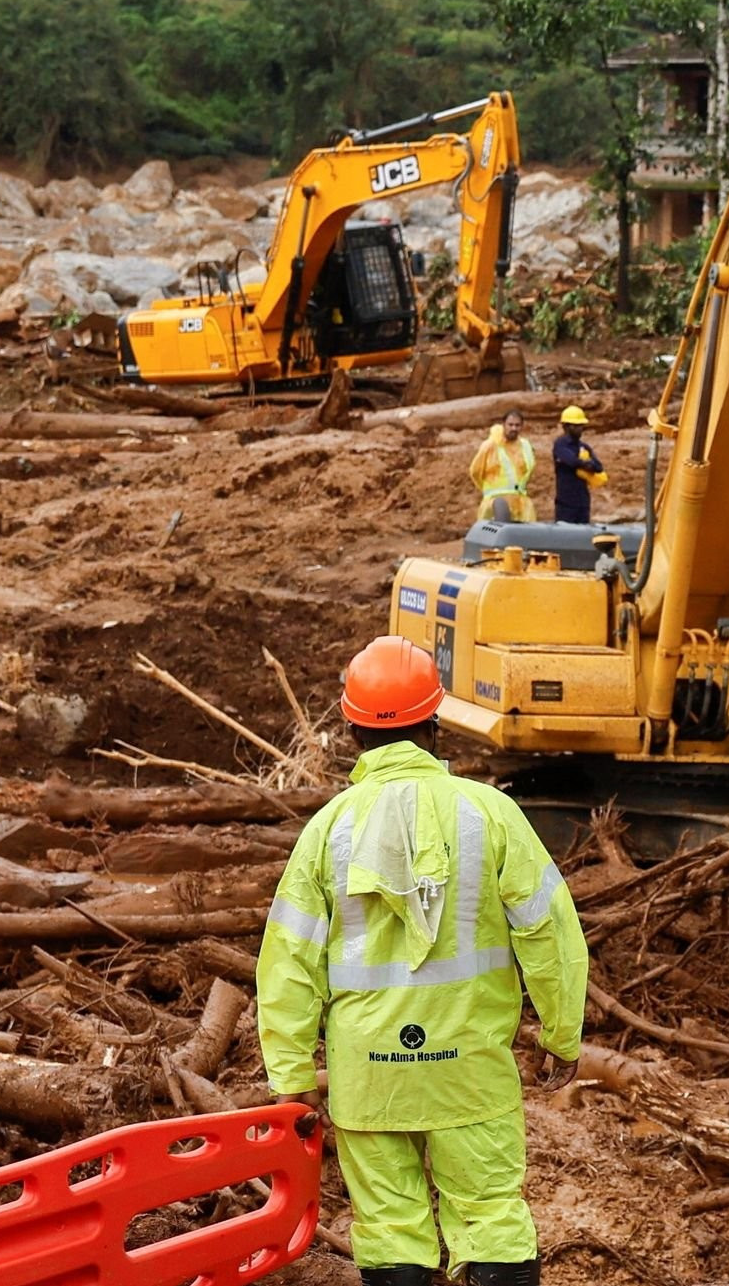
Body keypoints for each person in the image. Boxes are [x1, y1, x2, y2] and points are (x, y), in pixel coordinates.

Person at [259, 639, 585, 1286]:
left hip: (368, 1073)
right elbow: (550, 932)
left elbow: (288, 961)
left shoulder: (326, 830)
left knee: (389, 1230)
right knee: (491, 1215)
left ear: (352, 731)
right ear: (435, 722)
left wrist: (291, 1071)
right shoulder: (493, 814)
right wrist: (561, 1032)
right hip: (469, 1070)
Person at [468, 410, 537, 525]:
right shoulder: (490, 446)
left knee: (521, 540)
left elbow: (527, 471)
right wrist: (487, 490)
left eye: (517, 425)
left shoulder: (525, 446)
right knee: (494, 539)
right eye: (510, 425)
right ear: (503, 425)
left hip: (520, 503)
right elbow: (475, 471)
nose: (514, 428)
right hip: (495, 504)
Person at [549, 408, 605, 525]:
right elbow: (571, 461)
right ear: (568, 427)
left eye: (581, 425)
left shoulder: (583, 446)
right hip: (566, 503)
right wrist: (586, 464)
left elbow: (599, 467)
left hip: (582, 503)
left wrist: (587, 464)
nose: (581, 429)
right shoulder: (560, 445)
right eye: (577, 425)